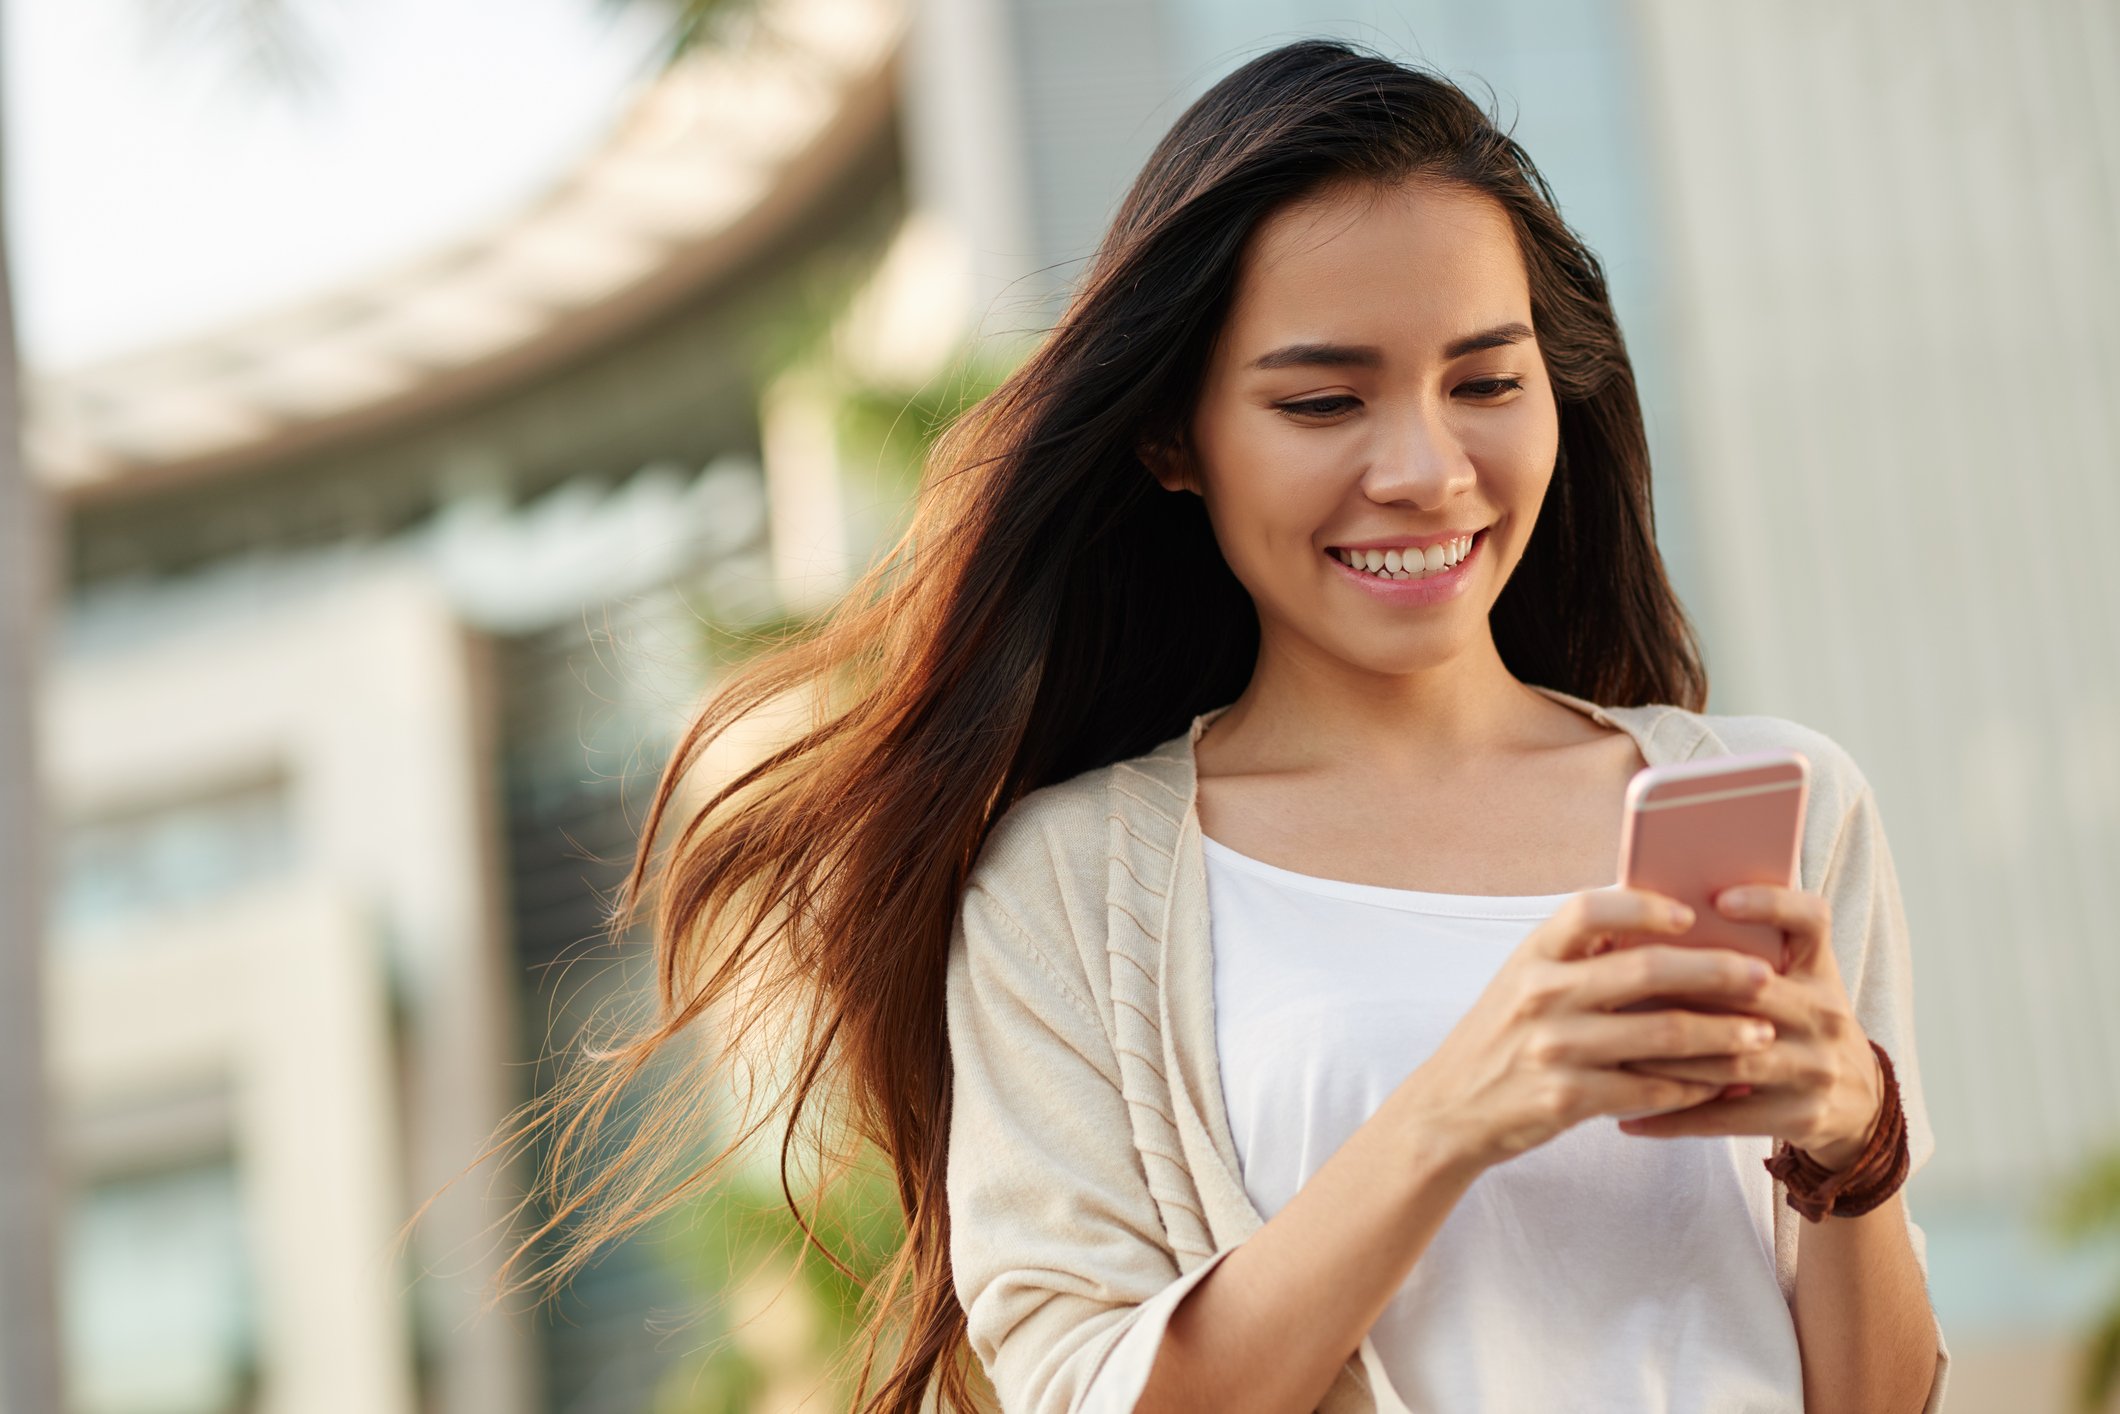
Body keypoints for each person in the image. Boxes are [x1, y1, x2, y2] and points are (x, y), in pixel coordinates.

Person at [488, 37, 1947, 1414]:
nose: (1427, 469)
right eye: (1324, 400)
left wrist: (1849, 1142)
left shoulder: (1782, 802)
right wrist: (1455, 1111)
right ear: (1174, 438)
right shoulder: (1067, 889)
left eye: (1487, 382)